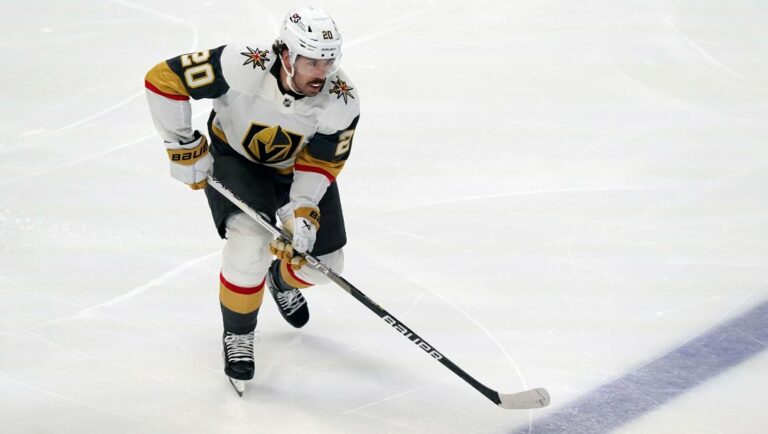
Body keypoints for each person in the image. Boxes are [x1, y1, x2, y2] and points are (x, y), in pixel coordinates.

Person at [143, 6, 359, 391]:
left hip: (294, 172)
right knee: (249, 245)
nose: (322, 73)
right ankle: (239, 334)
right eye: (312, 62)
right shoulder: (243, 63)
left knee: (326, 264)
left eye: (328, 61)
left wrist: (303, 213)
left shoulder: (341, 100)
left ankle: (280, 281)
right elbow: (164, 80)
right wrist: (182, 144)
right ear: (286, 55)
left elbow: (320, 164)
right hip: (236, 161)